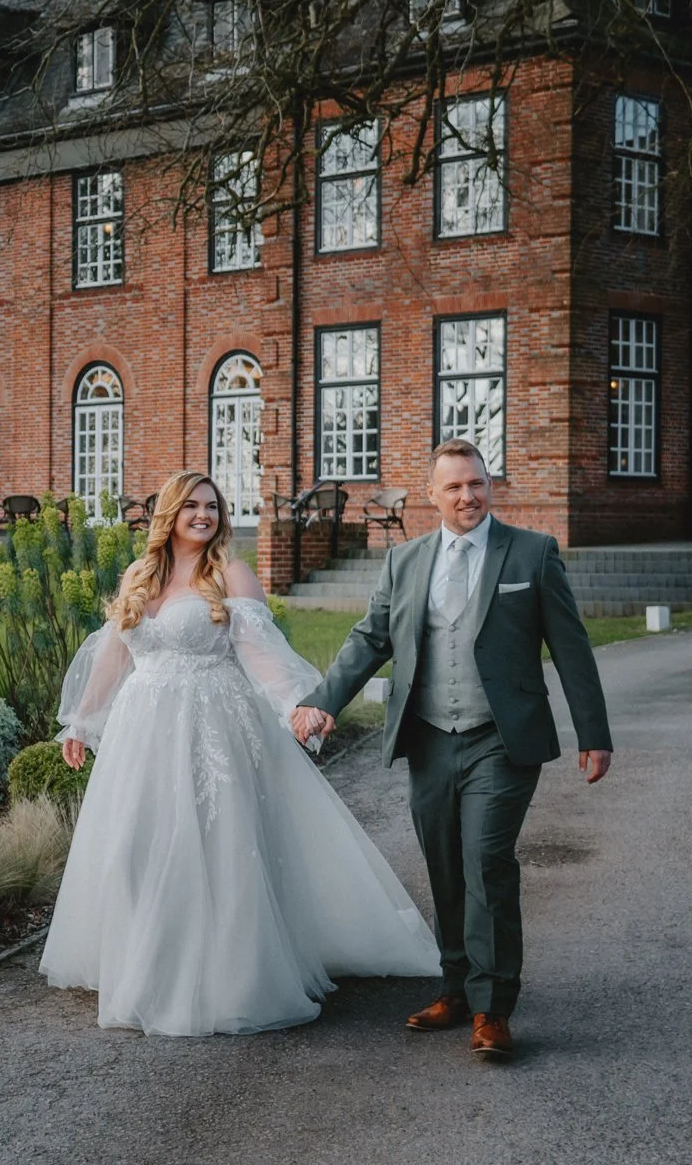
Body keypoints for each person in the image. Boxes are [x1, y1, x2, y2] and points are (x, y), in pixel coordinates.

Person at [39, 470, 440, 1036]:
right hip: (141, 733)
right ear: (170, 513)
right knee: (135, 843)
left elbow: (262, 654)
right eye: (191, 506)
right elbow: (115, 657)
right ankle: (149, 965)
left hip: (210, 727)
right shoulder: (138, 575)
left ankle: (225, 979)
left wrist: (299, 707)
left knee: (215, 847)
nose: (203, 515)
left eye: (212, 506)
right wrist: (81, 721)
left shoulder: (230, 574)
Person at [291, 438, 613, 1062]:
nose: (469, 496)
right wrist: (324, 699)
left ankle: (493, 1007)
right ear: (432, 496)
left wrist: (593, 732)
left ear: (489, 486)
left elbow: (571, 646)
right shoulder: (405, 561)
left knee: (486, 860)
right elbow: (370, 638)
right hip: (431, 736)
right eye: (455, 487)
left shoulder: (532, 552)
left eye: (477, 483)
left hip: (502, 737)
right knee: (444, 864)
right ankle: (456, 989)